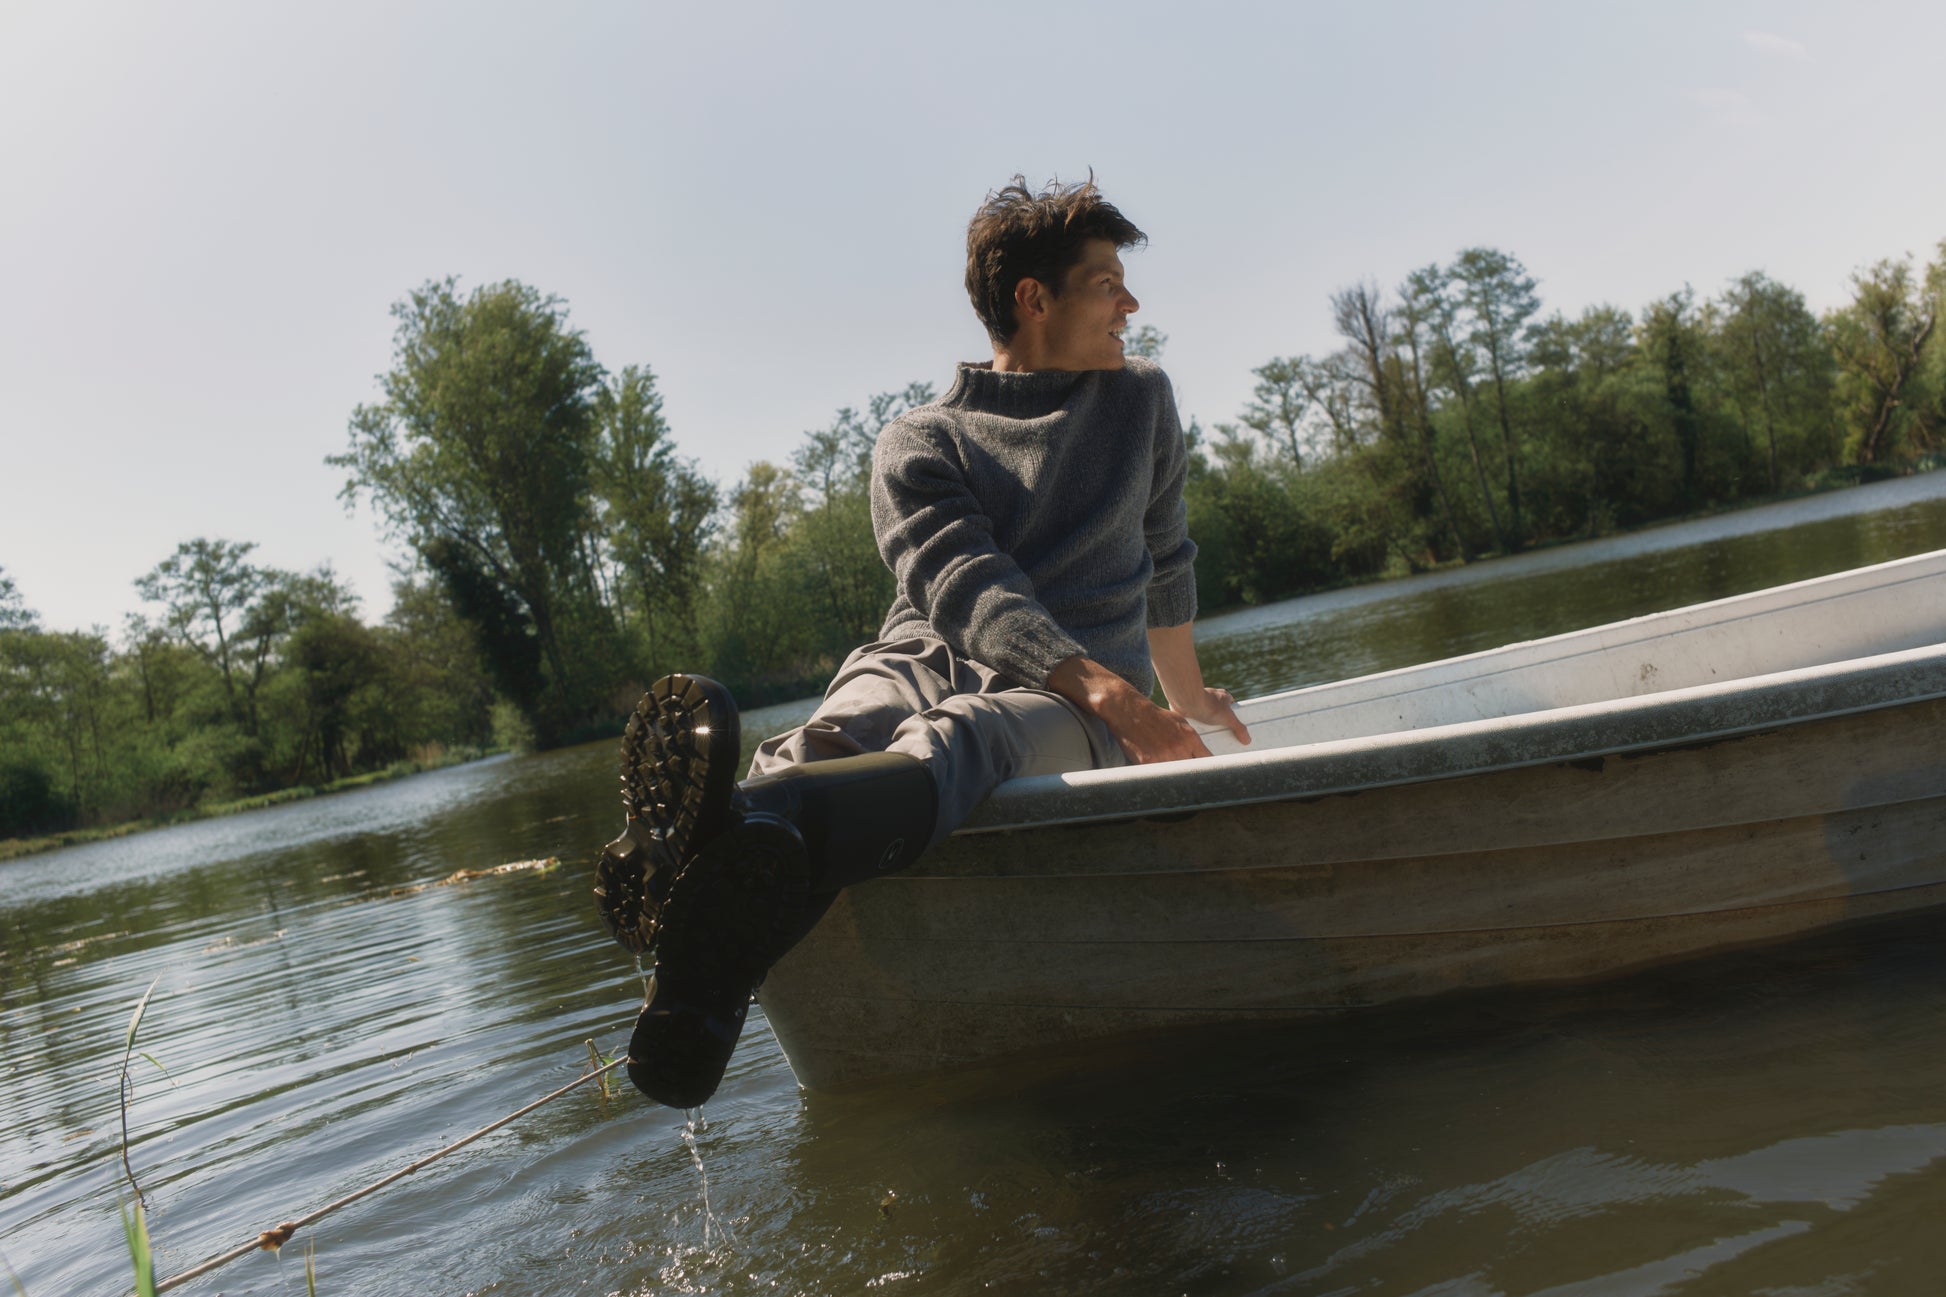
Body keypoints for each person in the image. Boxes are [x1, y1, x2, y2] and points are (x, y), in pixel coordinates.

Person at [593, 175, 1250, 1108]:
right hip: (935, 654)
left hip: (1061, 697)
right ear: (1033, 299)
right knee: (829, 736)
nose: (1131, 303)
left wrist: (1174, 701)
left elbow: (1167, 561)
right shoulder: (916, 442)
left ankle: (718, 873)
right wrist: (1120, 697)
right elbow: (968, 592)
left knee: (966, 738)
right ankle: (709, 959)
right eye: (1107, 282)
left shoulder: (1140, 400)